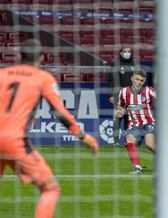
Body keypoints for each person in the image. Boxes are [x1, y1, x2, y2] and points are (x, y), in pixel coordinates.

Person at [0, 39, 99, 218]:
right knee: (50, 188)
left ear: (18, 56)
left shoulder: (2, 74)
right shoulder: (43, 78)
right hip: (15, 143)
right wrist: (83, 136)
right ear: (41, 58)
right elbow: (59, 113)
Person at [116, 69, 155, 174]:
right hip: (134, 125)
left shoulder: (149, 91)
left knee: (150, 144)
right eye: (137, 79)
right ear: (132, 78)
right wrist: (120, 112)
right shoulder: (123, 92)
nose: (138, 82)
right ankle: (137, 167)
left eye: (141, 80)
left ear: (144, 81)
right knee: (129, 140)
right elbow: (122, 107)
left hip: (149, 123)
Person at [108, 47, 135, 147]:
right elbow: (111, 81)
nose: (127, 53)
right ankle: (116, 141)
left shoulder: (134, 65)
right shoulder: (116, 64)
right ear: (121, 53)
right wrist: (111, 95)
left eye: (129, 51)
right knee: (118, 118)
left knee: (130, 119)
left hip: (132, 96)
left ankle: (127, 141)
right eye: (125, 51)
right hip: (118, 95)